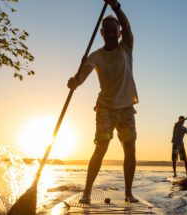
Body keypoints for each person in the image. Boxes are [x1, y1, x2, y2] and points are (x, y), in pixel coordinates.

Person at [67, 0, 139, 203]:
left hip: (126, 108)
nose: (110, 33)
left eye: (113, 30)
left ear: (119, 33)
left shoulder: (127, 46)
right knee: (101, 146)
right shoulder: (96, 56)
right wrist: (75, 82)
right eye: (106, 30)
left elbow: (128, 26)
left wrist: (116, 7)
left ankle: (128, 193)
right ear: (101, 33)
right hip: (105, 108)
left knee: (130, 148)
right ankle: (87, 193)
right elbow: (82, 75)